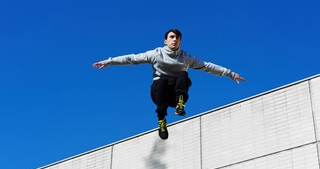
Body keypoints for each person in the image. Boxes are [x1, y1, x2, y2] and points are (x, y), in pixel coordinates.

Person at [93, 29, 245, 140]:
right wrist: (109, 61)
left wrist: (230, 73)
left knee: (183, 74)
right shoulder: (155, 54)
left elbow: (207, 66)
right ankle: (161, 119)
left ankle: (180, 104)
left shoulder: (186, 57)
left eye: (178, 38)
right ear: (165, 41)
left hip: (177, 94)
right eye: (172, 37)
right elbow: (132, 58)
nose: (175, 40)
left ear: (180, 41)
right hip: (160, 93)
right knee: (160, 80)